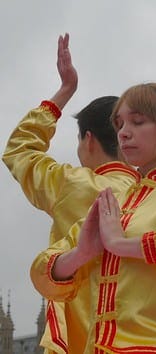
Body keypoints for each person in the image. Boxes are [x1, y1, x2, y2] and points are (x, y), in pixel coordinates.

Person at [30, 81, 156, 353]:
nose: (124, 133)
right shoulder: (114, 202)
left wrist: (121, 244)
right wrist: (81, 253)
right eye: (120, 124)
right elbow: (42, 271)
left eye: (137, 122)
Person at [2, 33, 139, 353]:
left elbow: (18, 151)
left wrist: (63, 92)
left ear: (89, 140)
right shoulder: (155, 194)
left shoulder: (74, 185)